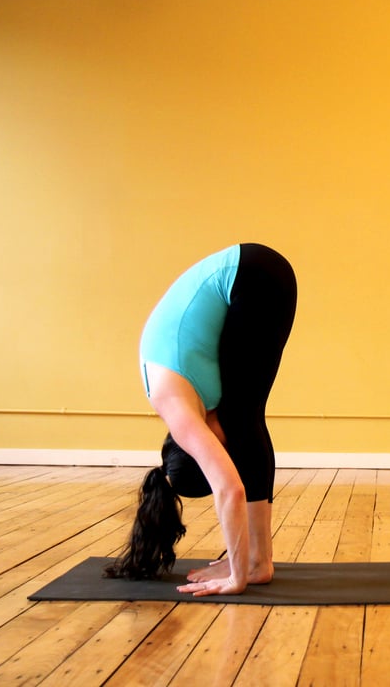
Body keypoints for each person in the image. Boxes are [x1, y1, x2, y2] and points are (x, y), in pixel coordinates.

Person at [104, 243, 297, 596]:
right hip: (258, 273)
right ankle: (257, 559)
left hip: (250, 274)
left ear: (192, 448)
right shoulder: (192, 403)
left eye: (218, 447)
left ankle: (254, 564)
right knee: (244, 419)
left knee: (241, 421)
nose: (225, 447)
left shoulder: (177, 409)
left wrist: (235, 578)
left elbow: (231, 489)